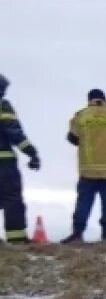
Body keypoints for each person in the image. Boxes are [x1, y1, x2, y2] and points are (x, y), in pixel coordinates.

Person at [63, 88, 106, 243]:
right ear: (105, 99)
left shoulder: (81, 115)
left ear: (89, 100)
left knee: (84, 200)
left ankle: (77, 234)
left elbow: (72, 138)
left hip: (88, 168)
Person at [0, 74, 42, 244]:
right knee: (12, 200)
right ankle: (16, 240)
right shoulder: (3, 106)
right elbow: (14, 133)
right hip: (4, 164)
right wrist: (32, 153)